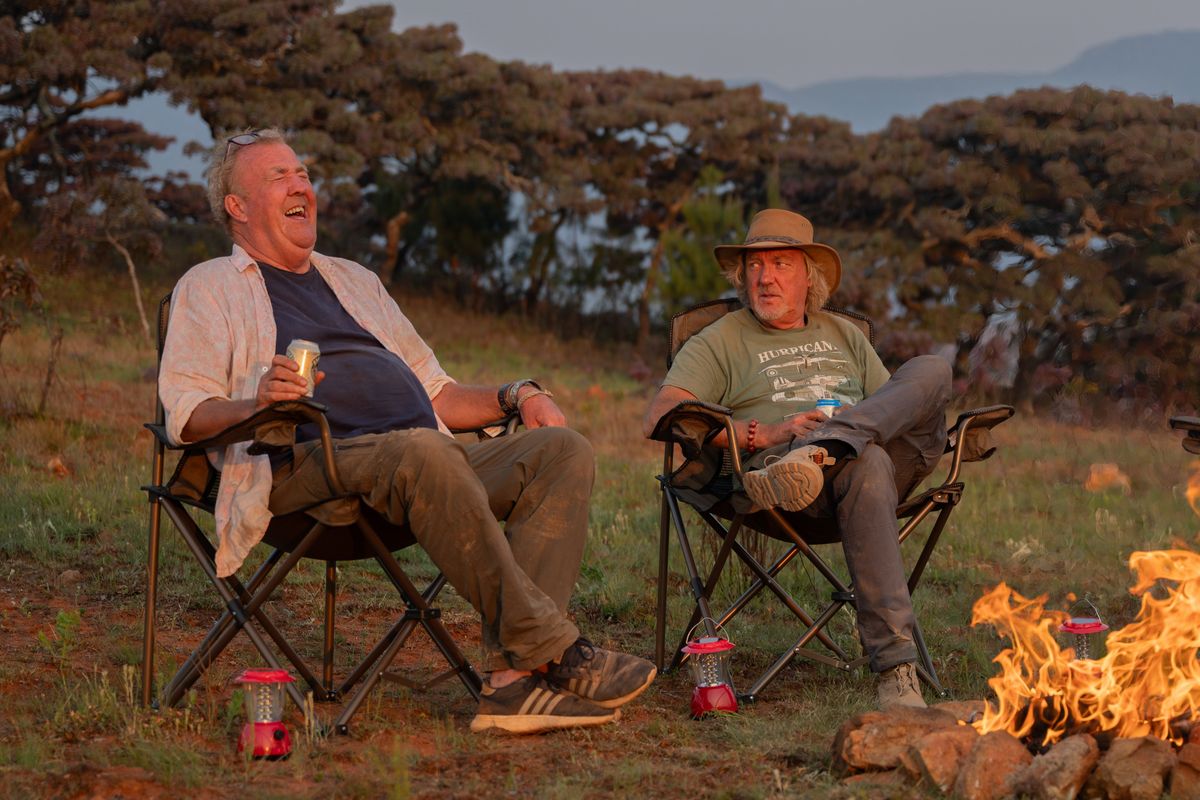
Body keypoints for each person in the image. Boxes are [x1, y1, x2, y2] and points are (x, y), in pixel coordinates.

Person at [159, 128, 655, 734]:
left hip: (422, 468)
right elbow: (184, 412)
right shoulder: (209, 286)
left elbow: (438, 392)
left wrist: (518, 393)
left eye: (303, 174)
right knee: (424, 451)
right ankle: (556, 650)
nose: (300, 186)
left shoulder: (354, 281)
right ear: (237, 207)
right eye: (278, 177)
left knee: (561, 451)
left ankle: (511, 684)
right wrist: (253, 401)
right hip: (307, 471)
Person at [642, 209, 952, 711]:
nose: (764, 277)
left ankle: (831, 444)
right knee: (866, 463)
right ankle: (897, 671)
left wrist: (836, 435)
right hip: (784, 480)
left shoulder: (846, 335)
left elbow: (892, 406)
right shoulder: (721, 339)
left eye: (781, 263)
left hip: (873, 460)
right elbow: (660, 414)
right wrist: (764, 433)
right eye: (755, 266)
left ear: (810, 276)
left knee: (932, 369)